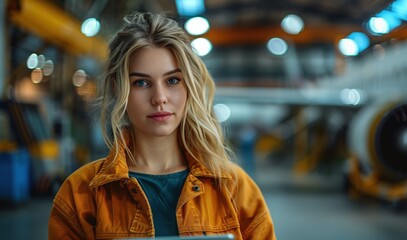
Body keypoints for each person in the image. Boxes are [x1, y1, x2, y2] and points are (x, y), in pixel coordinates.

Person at [48, 12, 276, 240]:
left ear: (190, 85)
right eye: (142, 83)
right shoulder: (80, 193)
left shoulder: (235, 188)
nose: (159, 97)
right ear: (119, 89)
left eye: (172, 80)